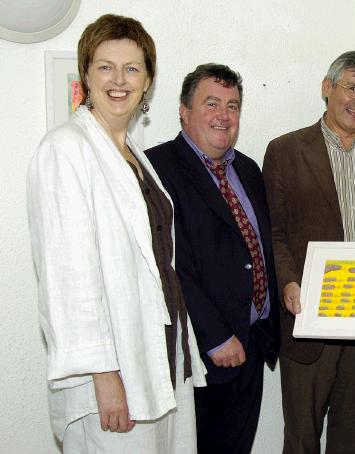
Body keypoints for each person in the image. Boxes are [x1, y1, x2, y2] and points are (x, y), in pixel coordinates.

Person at [26, 14, 206, 453]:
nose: (119, 80)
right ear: (86, 73)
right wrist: (102, 375)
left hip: (158, 361)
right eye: (106, 66)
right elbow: (66, 277)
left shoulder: (135, 157)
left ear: (148, 81)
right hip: (111, 376)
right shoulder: (65, 149)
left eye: (132, 68)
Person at [262, 51, 355, 454]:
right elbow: (274, 232)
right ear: (328, 88)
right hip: (308, 318)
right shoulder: (285, 150)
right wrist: (289, 281)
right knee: (302, 440)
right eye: (353, 88)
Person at [145, 63, 279, 454]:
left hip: (252, 342)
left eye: (233, 105)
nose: (224, 115)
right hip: (203, 353)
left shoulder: (248, 169)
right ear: (184, 111)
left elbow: (261, 247)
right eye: (212, 103)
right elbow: (167, 263)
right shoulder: (157, 169)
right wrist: (216, 336)